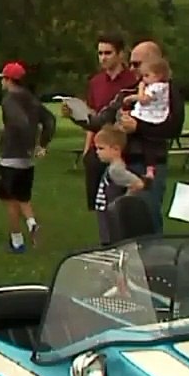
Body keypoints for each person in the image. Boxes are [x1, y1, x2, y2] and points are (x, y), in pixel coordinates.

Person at [63, 32, 138, 235]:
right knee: (101, 203)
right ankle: (107, 240)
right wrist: (89, 151)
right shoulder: (96, 82)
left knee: (121, 202)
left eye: (108, 53)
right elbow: (94, 118)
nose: (103, 57)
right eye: (100, 53)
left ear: (120, 54)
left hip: (124, 148)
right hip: (99, 147)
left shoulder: (133, 82)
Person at [118, 40, 185, 231]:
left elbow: (173, 128)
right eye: (130, 63)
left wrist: (139, 126)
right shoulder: (135, 87)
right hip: (125, 160)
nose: (131, 68)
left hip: (150, 162)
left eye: (136, 64)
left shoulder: (168, 90)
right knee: (125, 220)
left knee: (147, 216)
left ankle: (155, 257)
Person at [0, 61, 50, 253]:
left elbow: (21, 123)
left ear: (9, 80)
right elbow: (49, 120)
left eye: (3, 78)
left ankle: (16, 242)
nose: (2, 82)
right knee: (23, 197)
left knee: (9, 201)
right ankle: (32, 223)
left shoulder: (9, 100)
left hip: (10, 156)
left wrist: (28, 143)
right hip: (27, 161)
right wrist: (41, 143)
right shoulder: (32, 99)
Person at [91, 125, 147, 245]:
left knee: (111, 242)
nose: (97, 152)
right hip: (106, 212)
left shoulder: (116, 170)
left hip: (111, 214)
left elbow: (138, 184)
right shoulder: (113, 168)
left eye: (101, 148)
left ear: (116, 149)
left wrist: (123, 200)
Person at [123, 58, 171, 126]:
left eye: (146, 75)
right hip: (152, 114)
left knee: (121, 119)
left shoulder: (156, 87)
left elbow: (143, 100)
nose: (143, 78)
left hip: (148, 116)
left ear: (158, 76)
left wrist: (140, 89)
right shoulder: (165, 86)